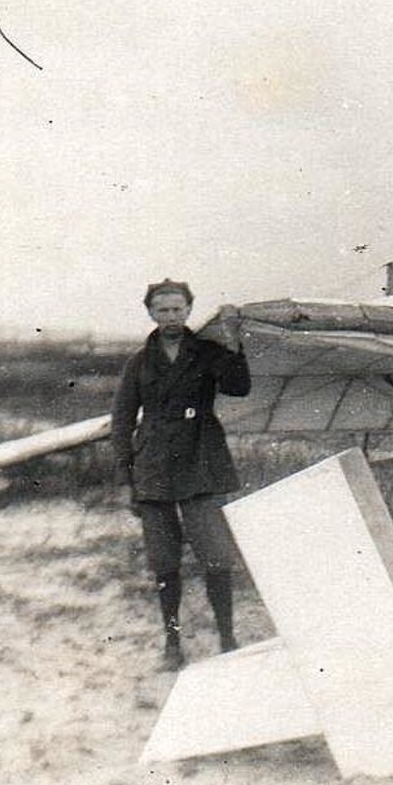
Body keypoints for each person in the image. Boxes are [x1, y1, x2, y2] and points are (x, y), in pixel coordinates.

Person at [111, 279, 251, 672]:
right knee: (164, 563)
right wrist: (127, 477)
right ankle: (172, 643)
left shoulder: (208, 353)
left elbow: (239, 387)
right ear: (151, 314)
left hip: (201, 462)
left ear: (188, 310)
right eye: (163, 310)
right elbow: (121, 421)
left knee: (216, 556)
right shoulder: (138, 363)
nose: (171, 317)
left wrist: (235, 343)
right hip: (153, 467)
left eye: (177, 309)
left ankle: (227, 637)